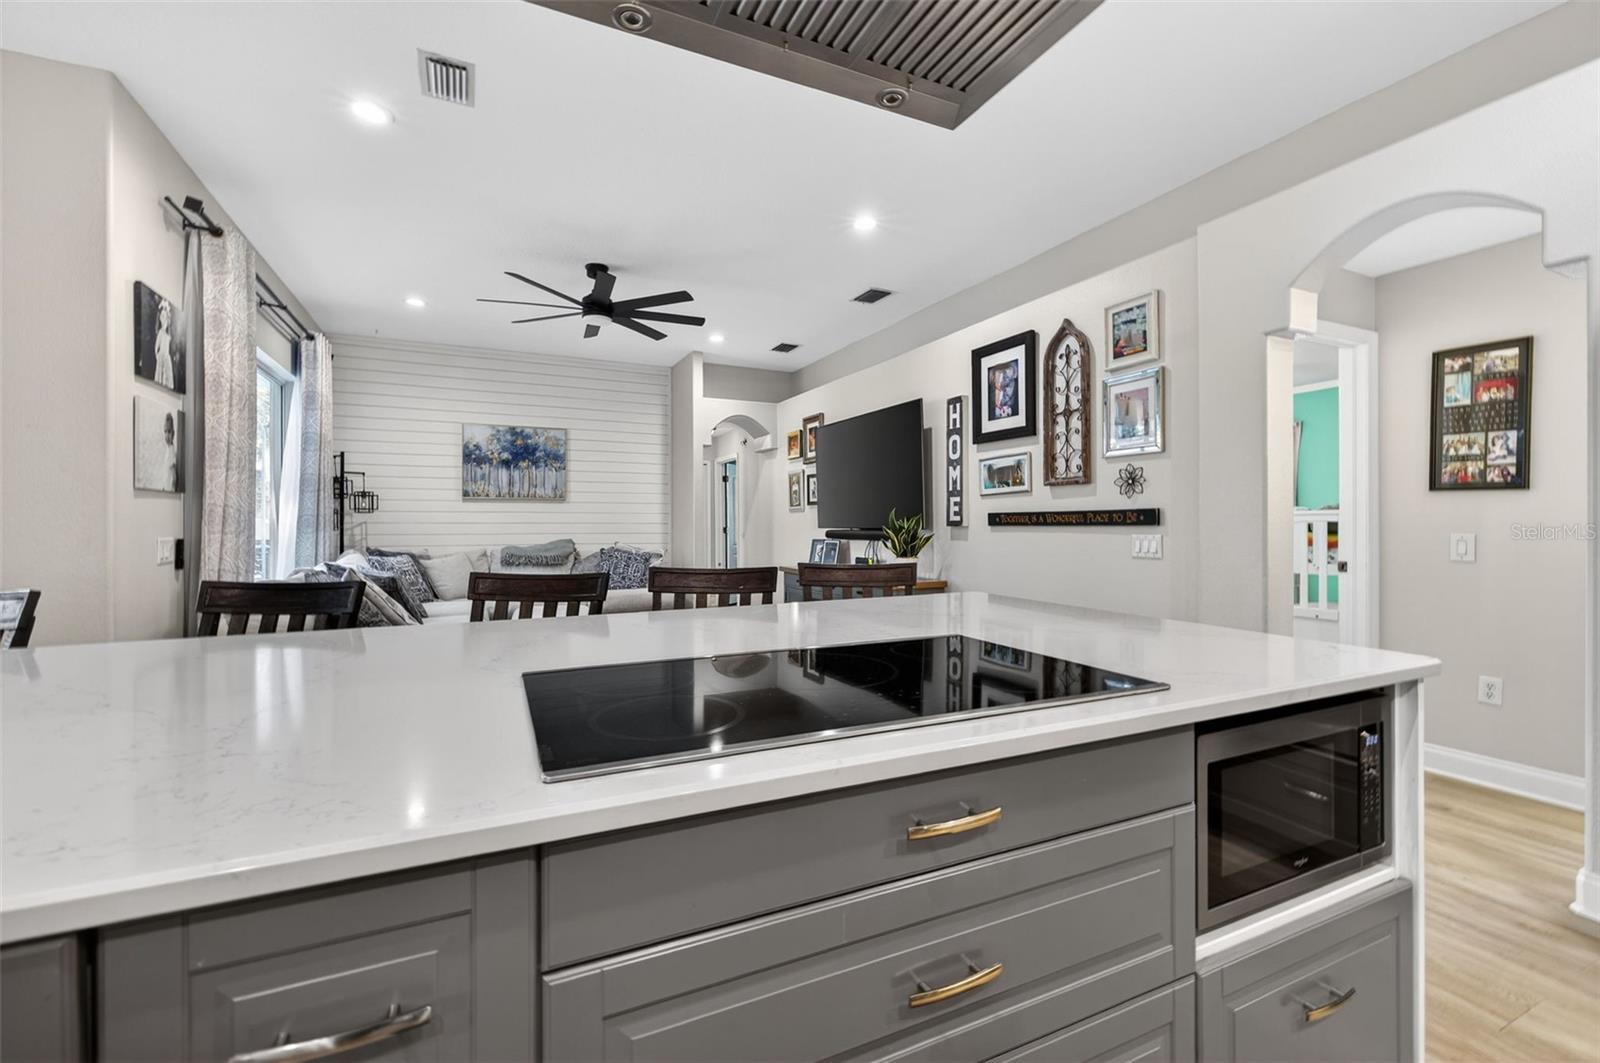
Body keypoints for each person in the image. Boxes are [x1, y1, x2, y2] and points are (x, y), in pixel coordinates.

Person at [154, 298, 176, 389]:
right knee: (160, 376)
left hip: (166, 357)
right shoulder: (160, 333)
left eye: (164, 317)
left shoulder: (168, 335)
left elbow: (171, 348)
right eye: (161, 317)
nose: (162, 319)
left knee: (167, 377)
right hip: (161, 357)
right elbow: (156, 347)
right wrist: (158, 356)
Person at [162, 412, 180, 492]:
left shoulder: (172, 450)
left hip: (169, 490)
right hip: (165, 488)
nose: (167, 435)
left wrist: (172, 491)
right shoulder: (168, 449)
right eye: (165, 431)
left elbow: (174, 476)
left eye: (169, 432)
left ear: (173, 433)